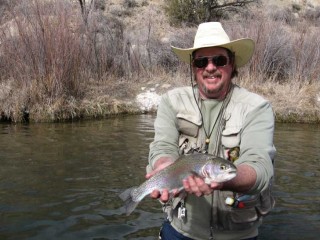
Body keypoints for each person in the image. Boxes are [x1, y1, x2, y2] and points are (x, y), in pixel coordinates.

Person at [146, 22, 276, 240]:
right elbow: (162, 146)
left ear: (232, 63)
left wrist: (224, 179)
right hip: (179, 229)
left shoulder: (257, 107)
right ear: (193, 67)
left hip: (238, 235)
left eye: (219, 60)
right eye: (201, 61)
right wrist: (163, 165)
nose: (210, 67)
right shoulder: (171, 101)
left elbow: (260, 167)